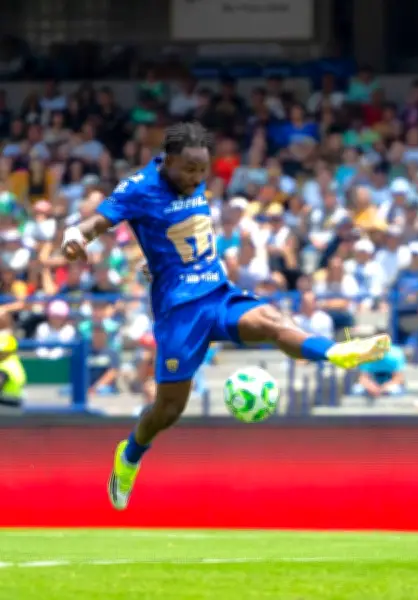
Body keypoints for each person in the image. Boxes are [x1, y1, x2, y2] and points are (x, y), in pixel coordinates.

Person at [60, 122, 390, 511]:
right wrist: (74, 238)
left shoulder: (191, 176)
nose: (196, 177)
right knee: (168, 410)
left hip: (218, 293)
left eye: (202, 170)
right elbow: (95, 222)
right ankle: (130, 456)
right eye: (189, 169)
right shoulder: (139, 187)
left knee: (272, 321)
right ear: (167, 161)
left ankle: (335, 352)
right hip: (179, 310)